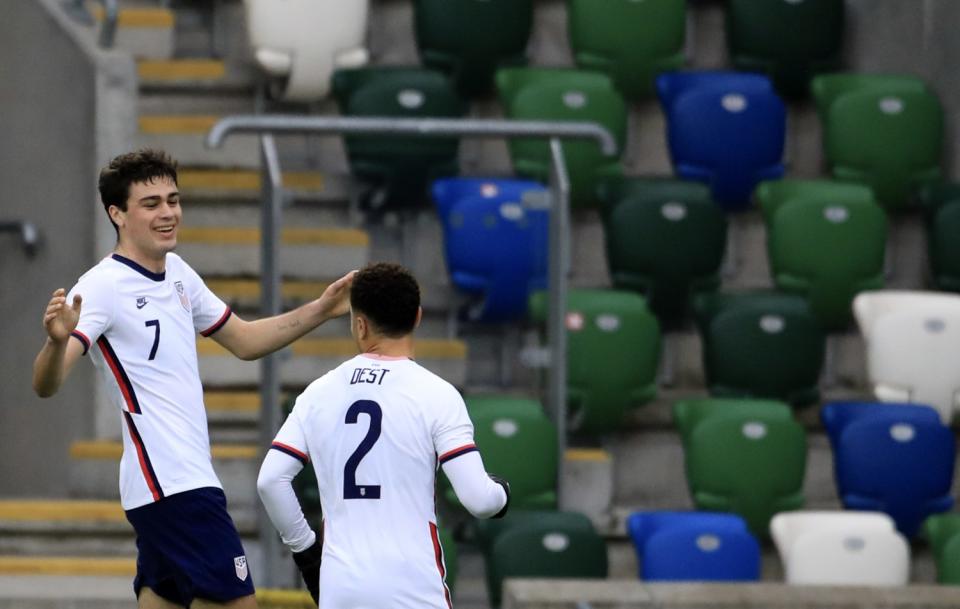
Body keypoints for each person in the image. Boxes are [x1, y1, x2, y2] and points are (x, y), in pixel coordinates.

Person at [31, 149, 355, 609]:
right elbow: (47, 383)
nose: (168, 213)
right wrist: (54, 342)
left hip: (173, 484)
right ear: (117, 214)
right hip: (172, 485)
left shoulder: (179, 273)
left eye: (173, 200)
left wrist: (321, 310)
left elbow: (244, 341)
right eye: (151, 204)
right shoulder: (101, 286)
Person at [257, 262, 510, 609]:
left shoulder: (317, 393)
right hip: (412, 588)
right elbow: (479, 500)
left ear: (360, 325)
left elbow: (270, 481)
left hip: (340, 589)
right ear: (418, 317)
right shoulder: (437, 394)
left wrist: (307, 554)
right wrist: (502, 495)